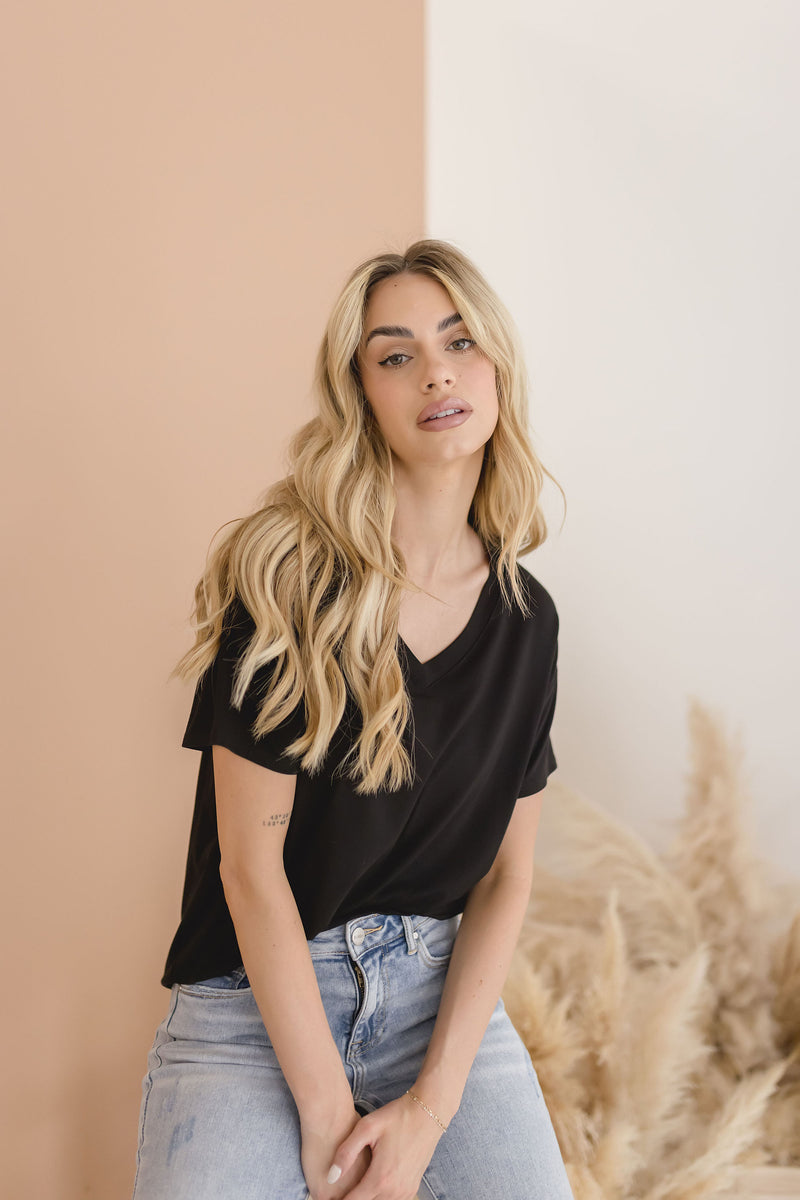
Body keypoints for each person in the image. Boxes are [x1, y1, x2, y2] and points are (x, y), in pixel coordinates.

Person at [131, 238, 574, 1200]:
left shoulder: (527, 621)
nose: (437, 373)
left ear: (498, 365)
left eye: (460, 340)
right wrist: (330, 1119)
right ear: (361, 394)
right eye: (396, 354)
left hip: (437, 1001)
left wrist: (429, 1112)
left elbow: (506, 875)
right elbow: (249, 872)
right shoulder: (286, 582)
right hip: (253, 1004)